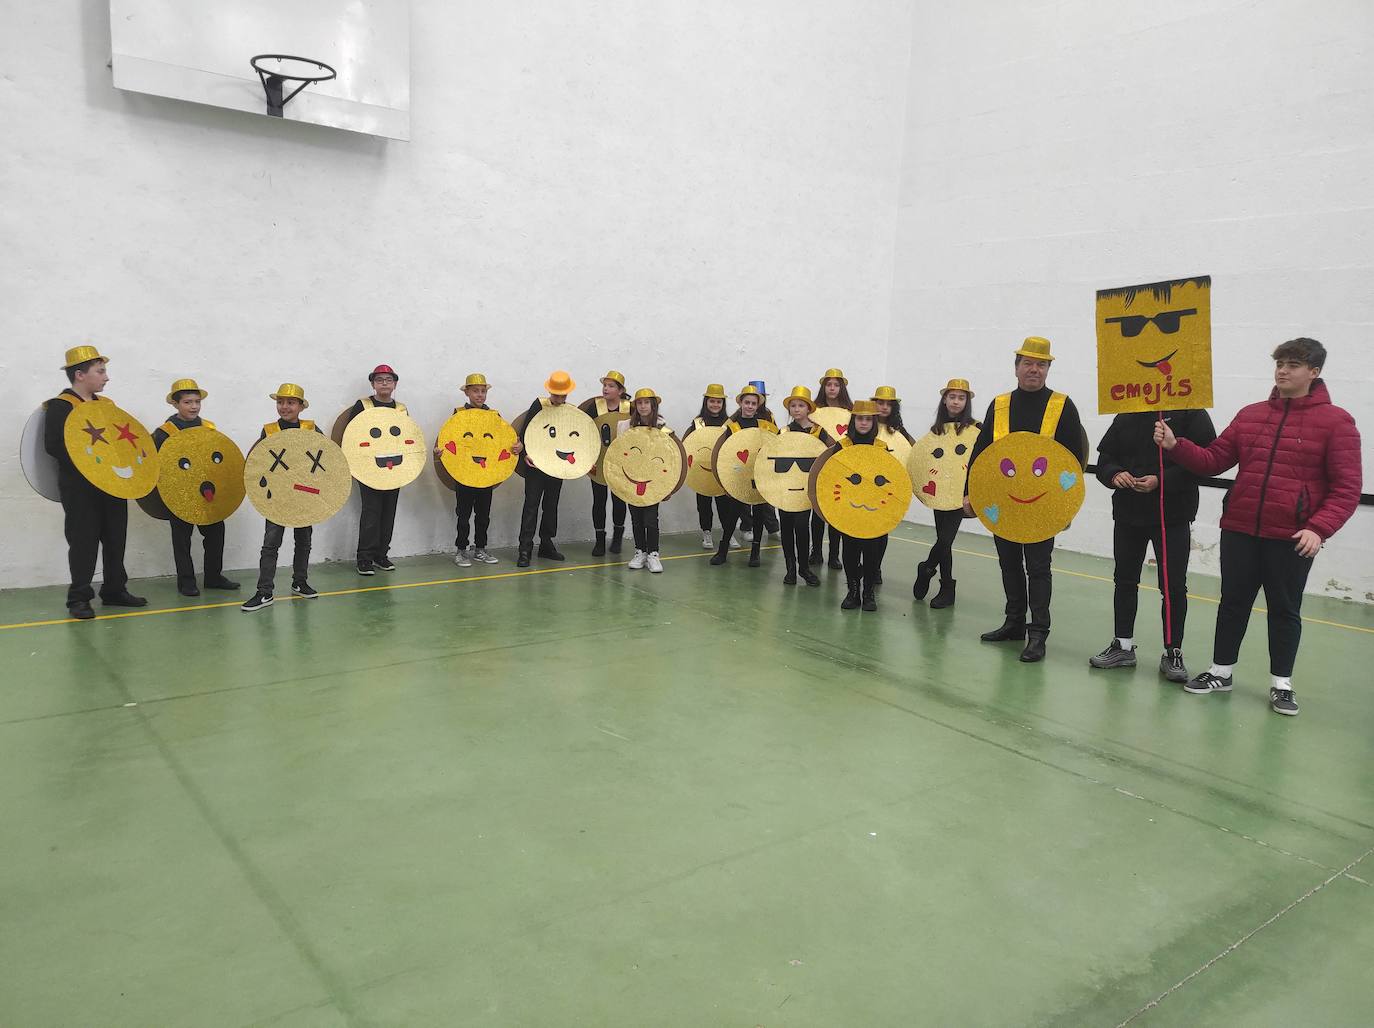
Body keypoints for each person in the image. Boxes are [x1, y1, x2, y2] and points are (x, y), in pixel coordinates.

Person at [1154, 338, 1362, 716]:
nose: (1283, 370)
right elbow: (1214, 459)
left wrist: (1318, 528)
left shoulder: (1337, 422)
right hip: (1240, 527)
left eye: (1294, 364)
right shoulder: (1250, 415)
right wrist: (1175, 444)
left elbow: (1347, 487)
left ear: (1314, 372)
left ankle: (1281, 684)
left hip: (1292, 537)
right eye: (1280, 363)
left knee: (1284, 609)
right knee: (1232, 603)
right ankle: (1221, 671)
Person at [965, 337, 1087, 662]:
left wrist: (1067, 504)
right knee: (1009, 564)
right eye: (1028, 363)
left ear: (1048, 368)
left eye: (1041, 364)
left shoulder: (1062, 405)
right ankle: (1014, 622)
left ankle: (1038, 633)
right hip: (1002, 502)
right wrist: (970, 493)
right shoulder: (1000, 404)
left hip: (1043, 504)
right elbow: (982, 452)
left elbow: (1074, 459)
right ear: (1016, 366)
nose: (1034, 369)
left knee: (1038, 567)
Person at [1089, 406, 1215, 682]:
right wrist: (1114, 474)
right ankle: (1122, 645)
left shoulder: (1191, 413)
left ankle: (1173, 651)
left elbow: (1206, 463)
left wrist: (1163, 481)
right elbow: (1106, 458)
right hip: (1128, 513)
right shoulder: (1127, 412)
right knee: (1124, 580)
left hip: (1172, 516)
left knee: (1172, 586)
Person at [44, 346, 147, 619]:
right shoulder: (60, 407)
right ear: (80, 375)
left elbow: (119, 444)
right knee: (83, 542)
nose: (106, 378)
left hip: (112, 485)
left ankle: (114, 590)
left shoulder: (106, 407)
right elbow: (54, 446)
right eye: (100, 372)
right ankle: (78, 597)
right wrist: (91, 467)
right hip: (80, 489)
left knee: (116, 539)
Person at [152, 378, 241, 597]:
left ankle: (213, 576)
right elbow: (157, 466)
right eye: (187, 402)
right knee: (182, 540)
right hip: (179, 494)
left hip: (208, 493)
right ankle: (186, 581)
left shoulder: (208, 428)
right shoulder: (164, 433)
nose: (193, 406)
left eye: (197, 401)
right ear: (175, 404)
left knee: (216, 534)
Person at [241, 384, 322, 612]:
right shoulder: (269, 431)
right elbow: (259, 461)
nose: (284, 407)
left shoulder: (311, 429)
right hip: (277, 497)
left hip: (304, 495)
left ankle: (300, 581)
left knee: (303, 541)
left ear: (300, 406)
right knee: (271, 544)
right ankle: (264, 591)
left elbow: (326, 459)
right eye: (280, 402)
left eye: (290, 402)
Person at [912, 379, 978, 609]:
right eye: (952, 397)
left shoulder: (976, 430)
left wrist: (972, 493)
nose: (956, 402)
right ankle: (947, 587)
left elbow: (980, 462)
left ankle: (928, 568)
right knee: (945, 541)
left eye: (961, 398)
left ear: (967, 401)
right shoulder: (935, 431)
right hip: (940, 490)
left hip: (961, 494)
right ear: (944, 400)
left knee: (946, 538)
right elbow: (924, 457)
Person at [344, 364, 404, 576]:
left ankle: (381, 555)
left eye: (388, 379)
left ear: (395, 384)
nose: (384, 383)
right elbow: (352, 435)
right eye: (380, 380)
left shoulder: (401, 409)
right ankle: (364, 558)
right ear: (373, 384)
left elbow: (407, 439)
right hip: (368, 469)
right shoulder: (363, 405)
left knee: (389, 513)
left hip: (394, 468)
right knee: (371, 512)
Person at [710, 385, 779, 567]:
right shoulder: (732, 427)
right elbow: (723, 454)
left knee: (758, 514)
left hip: (758, 476)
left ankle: (755, 551)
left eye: (753, 403)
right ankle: (723, 549)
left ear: (758, 406)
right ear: (740, 403)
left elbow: (772, 450)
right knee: (733, 513)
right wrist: (725, 481)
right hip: (737, 476)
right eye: (746, 402)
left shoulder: (765, 426)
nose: (749, 406)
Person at [516, 371, 577, 567]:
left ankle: (546, 544)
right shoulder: (539, 405)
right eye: (557, 395)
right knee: (531, 506)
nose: (560, 399)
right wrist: (525, 454)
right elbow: (527, 432)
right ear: (550, 391)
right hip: (536, 466)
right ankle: (525, 548)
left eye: (563, 396)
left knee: (551, 506)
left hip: (556, 466)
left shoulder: (568, 410)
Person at [449, 373, 509, 567]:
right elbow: (450, 439)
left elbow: (503, 440)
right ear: (467, 392)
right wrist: (441, 450)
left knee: (483, 515)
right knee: (463, 515)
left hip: (486, 474)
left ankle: (480, 549)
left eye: (483, 391)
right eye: (475, 391)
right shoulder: (458, 414)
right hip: (464, 473)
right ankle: (461, 550)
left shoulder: (494, 416)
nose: (480, 395)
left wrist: (517, 447)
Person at [836, 400, 888, 611]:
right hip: (849, 508)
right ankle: (853, 591)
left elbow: (888, 479)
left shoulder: (881, 447)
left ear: (874, 421)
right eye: (860, 418)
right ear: (853, 420)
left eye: (868, 419)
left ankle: (868, 593)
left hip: (874, 509)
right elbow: (833, 478)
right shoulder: (842, 446)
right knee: (849, 550)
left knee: (872, 551)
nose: (864, 423)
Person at [777, 386, 829, 586]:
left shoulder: (819, 432)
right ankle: (790, 569)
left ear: (808, 408)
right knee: (786, 527)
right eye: (793, 406)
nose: (797, 409)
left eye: (801, 405)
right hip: (784, 487)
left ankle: (804, 568)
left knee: (801, 526)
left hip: (805, 489)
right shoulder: (783, 432)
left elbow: (827, 457)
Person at [580, 371, 631, 556]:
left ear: (620, 390)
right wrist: (586, 459)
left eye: (611, 386)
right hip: (597, 461)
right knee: (599, 500)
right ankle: (599, 539)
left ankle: (617, 538)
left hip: (620, 463)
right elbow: (582, 430)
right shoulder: (594, 407)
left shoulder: (629, 407)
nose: (606, 389)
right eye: (605, 385)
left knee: (619, 500)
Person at [682, 384, 738, 551]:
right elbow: (688, 444)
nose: (715, 405)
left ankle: (728, 533)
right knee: (704, 504)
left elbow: (734, 445)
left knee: (725, 505)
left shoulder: (729, 423)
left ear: (723, 404)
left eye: (719, 402)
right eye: (712, 401)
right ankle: (706, 533)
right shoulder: (698, 422)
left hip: (721, 470)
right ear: (706, 402)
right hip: (701, 469)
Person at [623, 388, 672, 574]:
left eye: (647, 402)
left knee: (651, 519)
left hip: (654, 480)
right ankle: (640, 552)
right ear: (636, 405)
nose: (643, 406)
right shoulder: (626, 427)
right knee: (636, 518)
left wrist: (668, 486)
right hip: (632, 479)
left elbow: (670, 458)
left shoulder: (663, 429)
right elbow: (620, 455)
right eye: (640, 403)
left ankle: (653, 554)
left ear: (653, 405)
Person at [810, 368, 852, 570]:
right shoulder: (814, 411)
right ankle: (816, 552)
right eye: (829, 384)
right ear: (823, 387)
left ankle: (834, 555)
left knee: (836, 511)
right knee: (817, 512)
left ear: (841, 388)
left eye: (836, 385)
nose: (832, 388)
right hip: (818, 464)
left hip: (841, 467)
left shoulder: (851, 411)